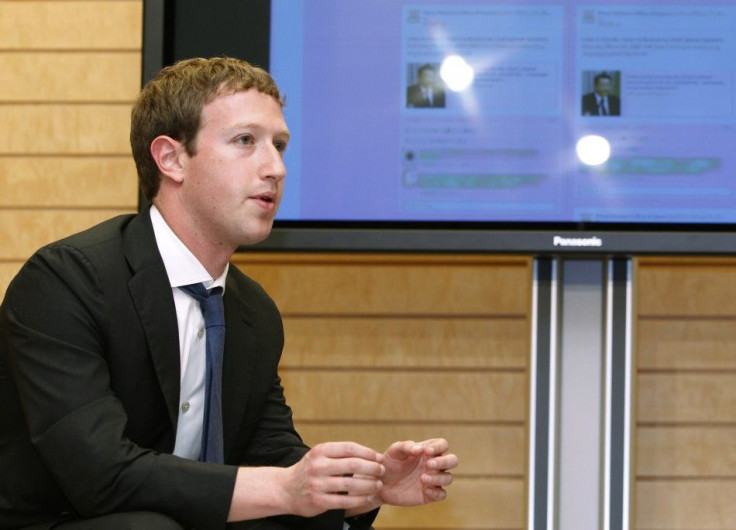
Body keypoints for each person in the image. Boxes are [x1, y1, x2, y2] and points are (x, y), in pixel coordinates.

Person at [0, 57, 458, 530]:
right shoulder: (65, 282)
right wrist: (284, 488)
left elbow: (274, 455)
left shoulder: (251, 311)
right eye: (246, 141)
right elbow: (99, 475)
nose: (276, 168)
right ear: (171, 159)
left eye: (279, 145)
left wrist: (362, 489)